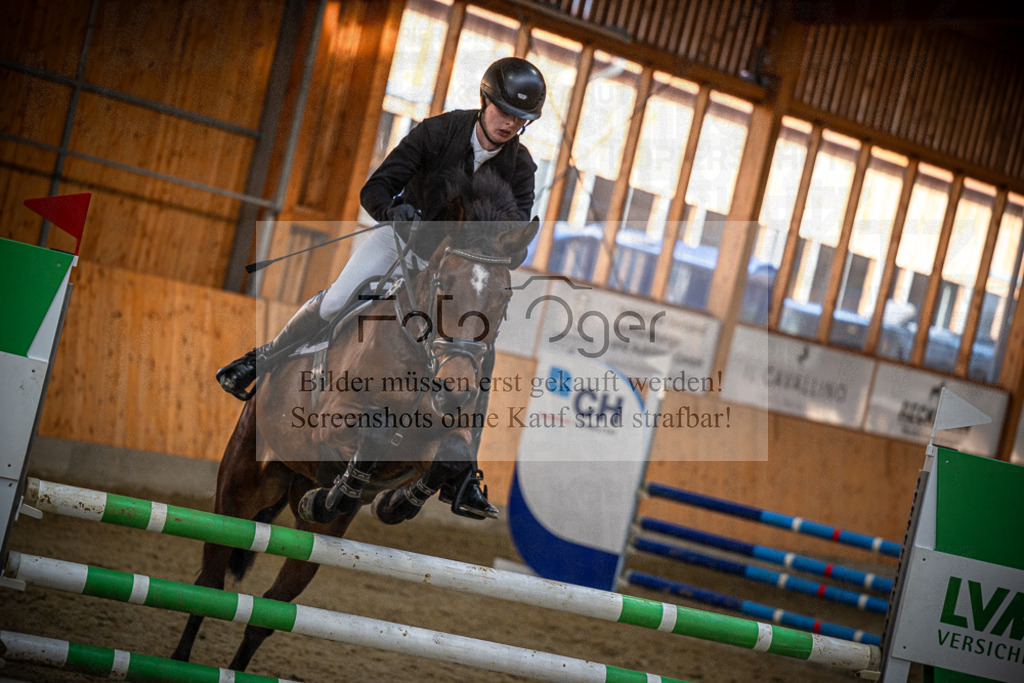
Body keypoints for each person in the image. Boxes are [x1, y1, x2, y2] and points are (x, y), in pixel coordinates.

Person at [216, 57, 546, 519]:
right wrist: (395, 211)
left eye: (521, 119)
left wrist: (506, 253)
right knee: (338, 299)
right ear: (484, 101)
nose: (511, 124)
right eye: (505, 112)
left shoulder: (522, 167)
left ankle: (465, 472)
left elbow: (510, 236)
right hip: (401, 240)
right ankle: (262, 357)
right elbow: (375, 188)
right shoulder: (438, 132)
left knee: (478, 350)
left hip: (454, 266)